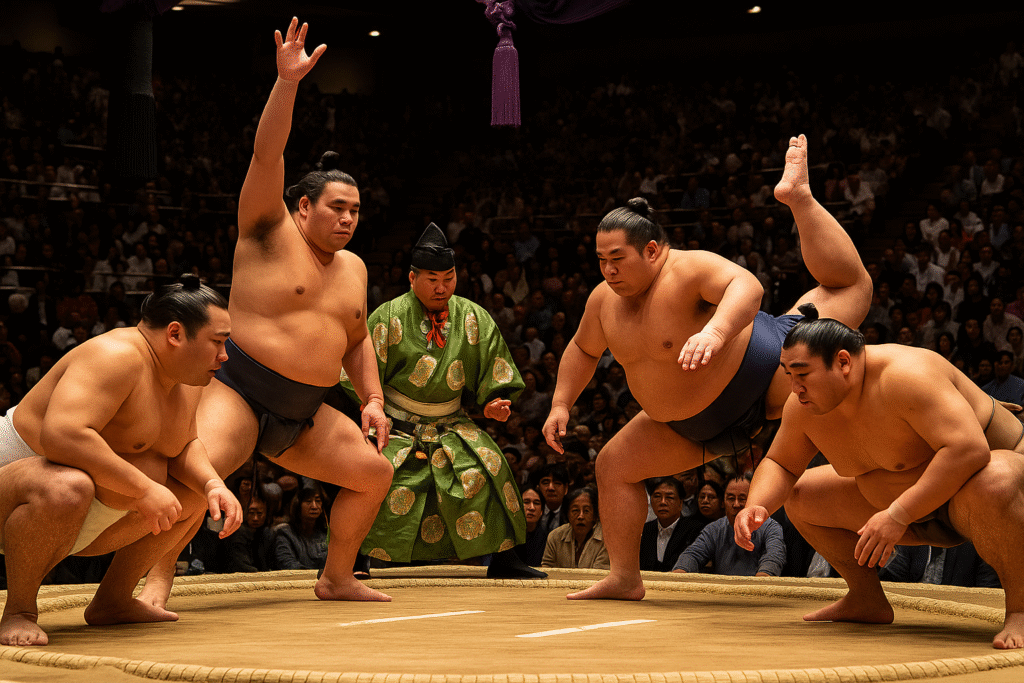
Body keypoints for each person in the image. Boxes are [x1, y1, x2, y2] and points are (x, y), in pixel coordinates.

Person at [127, 17, 394, 608]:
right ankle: (156, 583)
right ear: (302, 207)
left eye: (355, 210)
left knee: (375, 474)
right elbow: (266, 152)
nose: (348, 219)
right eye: (337, 207)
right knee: (198, 476)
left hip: (305, 411)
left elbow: (357, 339)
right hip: (241, 390)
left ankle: (337, 576)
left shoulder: (354, 268)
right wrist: (287, 83)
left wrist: (372, 400)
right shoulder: (266, 231)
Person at [542, 135, 872, 600]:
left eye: (618, 259)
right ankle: (624, 577)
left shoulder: (687, 269)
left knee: (850, 287)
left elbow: (747, 286)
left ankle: (800, 199)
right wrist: (561, 403)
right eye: (601, 261)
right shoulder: (602, 303)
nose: (609, 271)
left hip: (768, 372)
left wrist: (716, 332)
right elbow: (582, 349)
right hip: (689, 428)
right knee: (614, 464)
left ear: (652, 250)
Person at [735, 305, 1024, 649]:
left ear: (843, 362)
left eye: (803, 374)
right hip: (915, 515)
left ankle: (1020, 609)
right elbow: (781, 464)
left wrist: (898, 514)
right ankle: (866, 598)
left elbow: (968, 451)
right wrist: (757, 505)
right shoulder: (803, 407)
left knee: (995, 480)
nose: (794, 388)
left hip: (987, 492)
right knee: (801, 495)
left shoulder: (907, 375)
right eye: (788, 375)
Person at [0, 277, 242, 646]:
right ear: (175, 334)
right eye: (217, 342)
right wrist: (144, 488)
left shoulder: (185, 378)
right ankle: (19, 611)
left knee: (194, 495)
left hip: (79, 515)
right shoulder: (115, 355)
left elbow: (182, 444)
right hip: (18, 491)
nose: (224, 355)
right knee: (68, 485)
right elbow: (62, 436)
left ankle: (113, 600)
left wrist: (213, 484)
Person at [340, 224, 542, 578]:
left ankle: (506, 558)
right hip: (395, 425)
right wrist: (375, 408)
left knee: (491, 464)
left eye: (449, 279)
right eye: (432, 279)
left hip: (451, 422)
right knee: (371, 474)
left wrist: (493, 401)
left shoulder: (473, 317)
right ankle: (353, 561)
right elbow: (357, 369)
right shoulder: (388, 316)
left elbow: (492, 370)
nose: (442, 287)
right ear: (412, 278)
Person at [671, 475, 785, 576]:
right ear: (723, 502)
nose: (736, 504)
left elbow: (773, 556)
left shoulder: (770, 527)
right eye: (731, 499)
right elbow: (693, 554)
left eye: (742, 499)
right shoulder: (714, 529)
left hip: (758, 588)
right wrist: (679, 573)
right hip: (721, 590)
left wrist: (763, 578)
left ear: (753, 500)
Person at [541, 486, 609, 570]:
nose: (581, 516)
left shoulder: (606, 540)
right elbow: (547, 568)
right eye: (575, 510)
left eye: (586, 511)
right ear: (568, 514)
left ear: (595, 516)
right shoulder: (555, 537)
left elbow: (600, 573)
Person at [638, 477, 691, 572]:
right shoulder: (644, 531)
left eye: (669, 497)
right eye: (657, 496)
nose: (663, 502)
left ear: (680, 503)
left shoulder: (694, 530)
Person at [274, 484, 329, 571]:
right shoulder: (285, 533)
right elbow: (287, 564)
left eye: (318, 501)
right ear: (298, 505)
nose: (314, 506)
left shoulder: (326, 532)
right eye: (308, 501)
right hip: (299, 578)